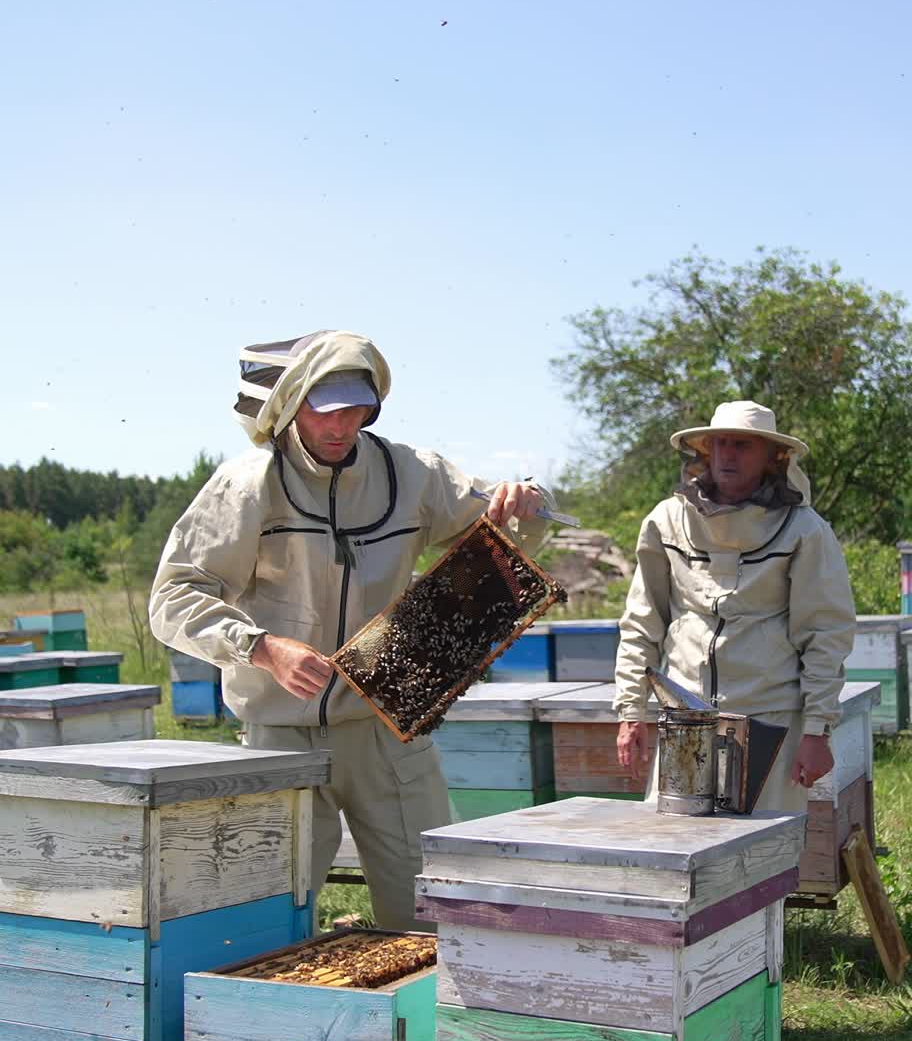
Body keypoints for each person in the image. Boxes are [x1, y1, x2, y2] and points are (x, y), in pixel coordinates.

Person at [150, 330, 549, 930]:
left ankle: (428, 1022)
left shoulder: (415, 474)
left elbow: (503, 543)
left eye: (357, 411)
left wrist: (532, 502)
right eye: (325, 411)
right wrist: (260, 647)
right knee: (267, 924)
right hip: (280, 735)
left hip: (388, 731)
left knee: (432, 911)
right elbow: (173, 596)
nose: (342, 427)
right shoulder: (246, 485)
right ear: (289, 405)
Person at [613, 400, 856, 811]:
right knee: (676, 853)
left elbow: (825, 634)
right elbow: (642, 622)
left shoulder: (805, 531)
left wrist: (817, 730)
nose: (728, 454)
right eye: (720, 443)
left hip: (769, 718)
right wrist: (631, 709)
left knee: (761, 861)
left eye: (742, 445)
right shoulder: (665, 521)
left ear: (772, 456)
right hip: (683, 719)